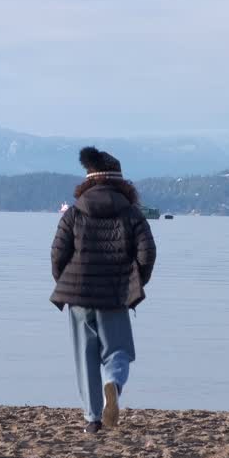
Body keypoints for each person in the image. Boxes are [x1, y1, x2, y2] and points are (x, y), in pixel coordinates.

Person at [50, 147, 157, 433]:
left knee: (85, 358)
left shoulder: (74, 213)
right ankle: (114, 383)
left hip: (78, 293)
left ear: (88, 180)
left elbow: (58, 253)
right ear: (121, 182)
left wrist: (67, 282)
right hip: (115, 292)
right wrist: (135, 283)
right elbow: (147, 252)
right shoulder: (131, 213)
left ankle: (92, 420)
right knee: (118, 351)